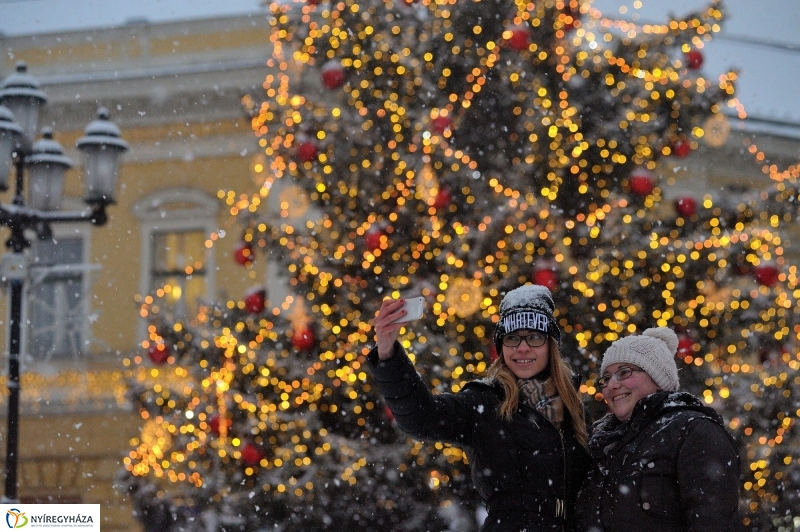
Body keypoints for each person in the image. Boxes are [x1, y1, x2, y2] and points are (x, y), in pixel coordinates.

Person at [368, 284, 591, 531]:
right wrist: (388, 352)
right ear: (501, 347)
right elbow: (421, 418)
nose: (523, 347)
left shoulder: (576, 410)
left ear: (551, 345)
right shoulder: (483, 403)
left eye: (535, 337)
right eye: (512, 338)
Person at [575, 327, 741, 531]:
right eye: (606, 378)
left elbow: (714, 521)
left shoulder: (693, 431)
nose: (612, 385)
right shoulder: (599, 444)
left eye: (624, 372)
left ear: (658, 377)